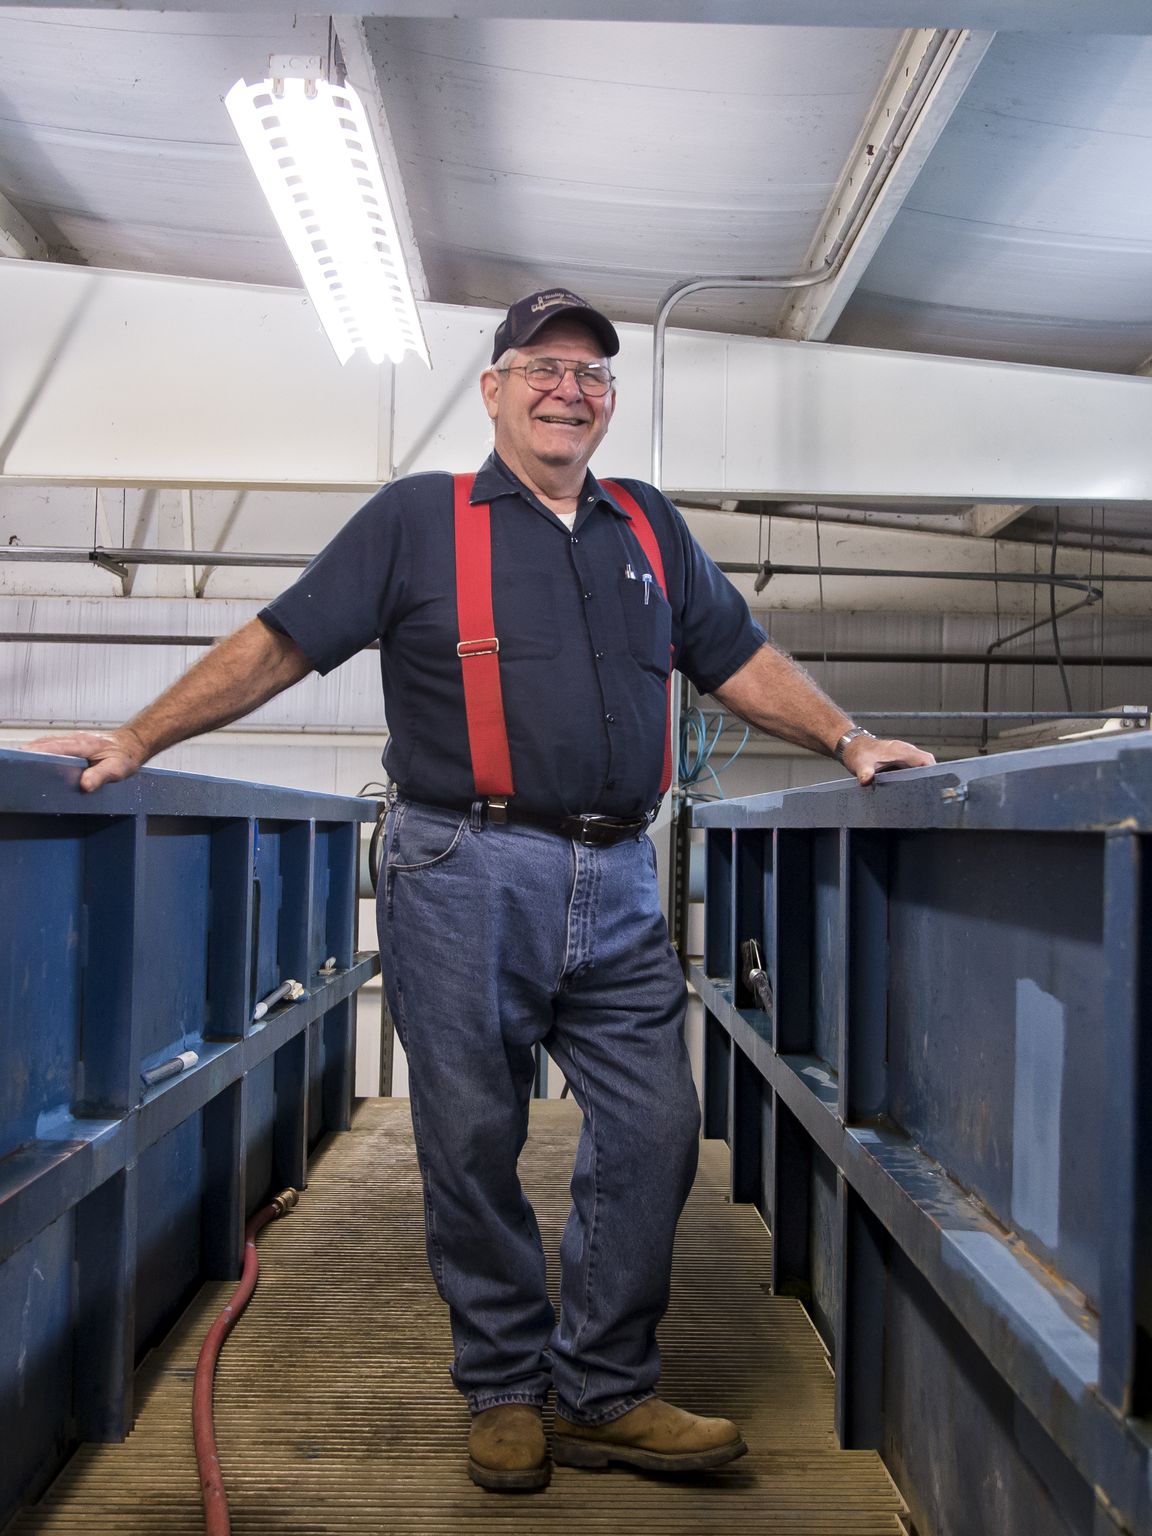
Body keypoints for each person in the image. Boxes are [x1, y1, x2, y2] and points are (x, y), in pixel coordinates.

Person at [27, 287, 934, 1494]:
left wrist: (849, 740)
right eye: (544, 367)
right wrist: (141, 736)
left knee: (657, 1128)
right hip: (461, 865)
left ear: (610, 401)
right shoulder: (419, 519)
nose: (570, 389)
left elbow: (738, 658)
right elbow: (283, 641)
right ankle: (504, 1385)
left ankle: (601, 1388)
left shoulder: (648, 526)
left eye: (592, 374)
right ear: (495, 389)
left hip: (621, 873)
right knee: (472, 1139)